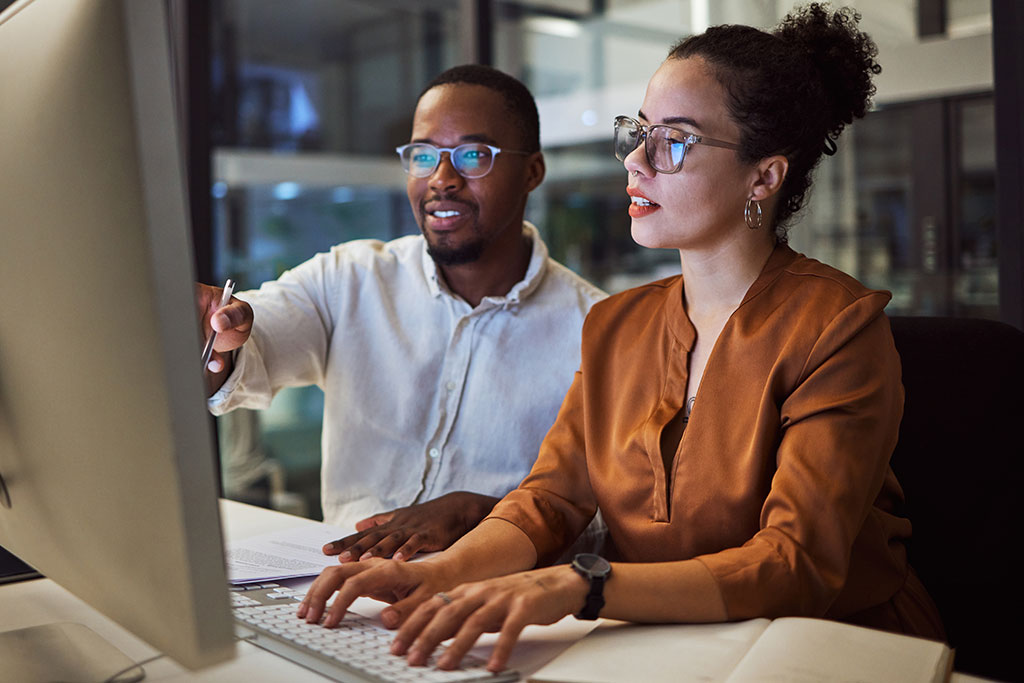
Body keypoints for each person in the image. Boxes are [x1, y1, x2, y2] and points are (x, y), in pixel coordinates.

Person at [297, 3, 946, 674]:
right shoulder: (617, 324)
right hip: (658, 642)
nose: (636, 159)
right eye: (638, 133)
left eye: (674, 139)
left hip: (827, 650)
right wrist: (442, 573)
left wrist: (584, 584)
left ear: (763, 176)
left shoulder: (837, 326)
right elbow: (550, 498)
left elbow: (795, 561)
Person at [198, 64, 607, 560]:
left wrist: (484, 513)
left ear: (532, 172)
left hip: (493, 600)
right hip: (343, 582)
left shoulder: (598, 330)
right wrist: (218, 332)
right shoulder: (348, 277)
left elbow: (608, 521)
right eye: (423, 155)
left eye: (473, 155)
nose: (442, 179)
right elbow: (255, 343)